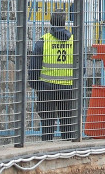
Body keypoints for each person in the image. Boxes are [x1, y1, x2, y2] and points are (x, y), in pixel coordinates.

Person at [27, 11, 77, 142]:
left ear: (51, 22)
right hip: (68, 89)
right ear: (64, 23)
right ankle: (68, 153)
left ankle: (46, 150)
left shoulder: (43, 42)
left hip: (46, 89)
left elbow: (33, 69)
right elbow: (81, 69)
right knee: (67, 124)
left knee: (47, 124)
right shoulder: (74, 41)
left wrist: (36, 86)